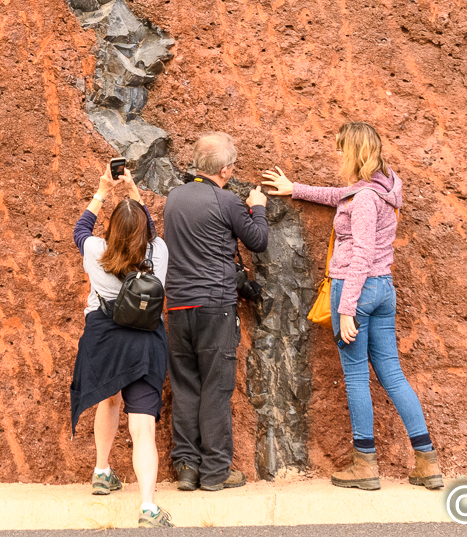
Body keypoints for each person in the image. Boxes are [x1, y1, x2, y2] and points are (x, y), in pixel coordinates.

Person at [263, 122, 443, 491]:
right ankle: (427, 462)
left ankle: (365, 466)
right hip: (383, 290)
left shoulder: (363, 200)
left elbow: (360, 252)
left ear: (355, 153)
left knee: (358, 376)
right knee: (392, 374)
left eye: (342, 149)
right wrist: (295, 189)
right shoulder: (383, 188)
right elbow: (341, 196)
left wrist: (346, 309)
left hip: (356, 290)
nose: (339, 157)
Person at [68, 166, 175, 527]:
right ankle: (147, 508)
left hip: (104, 337)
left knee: (108, 398)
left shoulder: (96, 249)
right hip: (144, 342)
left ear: (111, 230)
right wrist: (134, 193)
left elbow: (80, 229)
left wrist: (102, 192)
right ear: (145, 232)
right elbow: (152, 232)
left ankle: (102, 472)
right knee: (142, 425)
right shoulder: (157, 253)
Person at [161, 132, 269, 491]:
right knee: (216, 387)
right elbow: (258, 241)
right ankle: (216, 472)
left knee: (185, 385)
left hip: (177, 306)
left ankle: (187, 468)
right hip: (215, 305)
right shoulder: (227, 202)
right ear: (225, 169)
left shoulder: (174, 199)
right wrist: (258, 207)